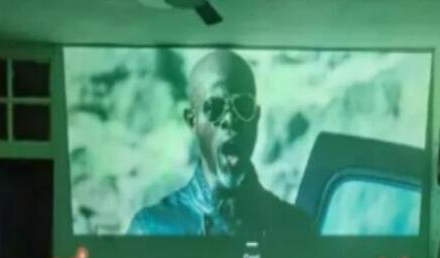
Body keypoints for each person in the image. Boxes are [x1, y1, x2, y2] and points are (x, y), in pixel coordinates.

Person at [127, 50, 315, 237]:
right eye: (215, 107)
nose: (230, 119)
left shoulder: (295, 228)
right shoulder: (151, 229)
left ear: (256, 118)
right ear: (192, 121)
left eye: (243, 106)